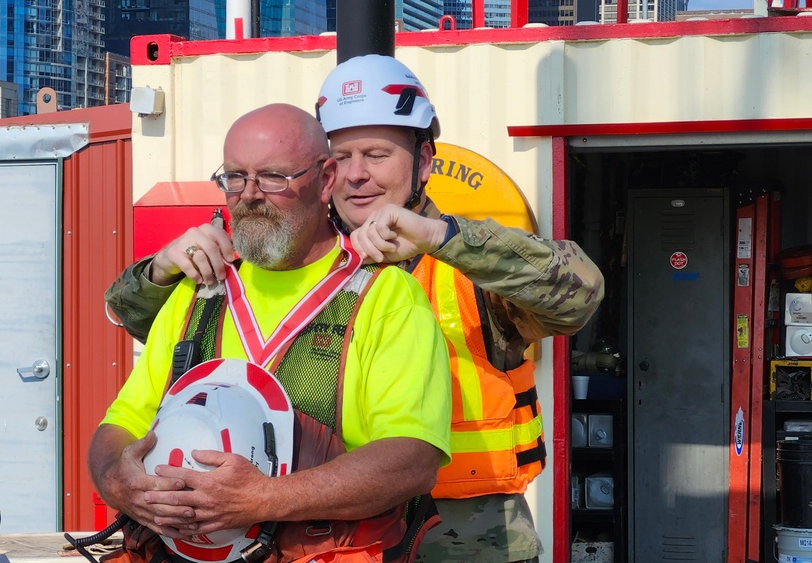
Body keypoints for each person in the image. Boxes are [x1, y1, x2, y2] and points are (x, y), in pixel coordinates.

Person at [105, 57, 604, 563]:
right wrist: (160, 270)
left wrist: (438, 238)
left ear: (424, 161)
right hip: (322, 537)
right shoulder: (287, 256)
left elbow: (580, 293)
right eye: (342, 156)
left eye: (377, 154)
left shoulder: (468, 265)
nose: (358, 175)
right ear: (323, 171)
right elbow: (156, 329)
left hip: (467, 537)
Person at [89, 103, 452, 563]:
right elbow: (122, 422)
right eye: (236, 177)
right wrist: (119, 482)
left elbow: (411, 459)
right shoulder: (198, 292)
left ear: (325, 181)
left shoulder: (385, 297)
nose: (250, 194)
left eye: (274, 177)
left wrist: (263, 499)